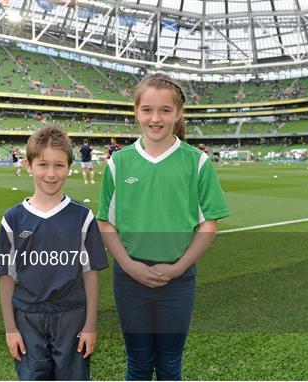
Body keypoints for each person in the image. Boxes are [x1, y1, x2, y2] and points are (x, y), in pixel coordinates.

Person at [97, 73, 230, 380]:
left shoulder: (196, 162)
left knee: (170, 365)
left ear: (178, 113)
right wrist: (129, 266)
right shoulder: (119, 163)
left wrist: (178, 267)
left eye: (165, 110)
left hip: (178, 280)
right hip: (129, 280)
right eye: (147, 110)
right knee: (138, 364)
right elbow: (106, 221)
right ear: (136, 112)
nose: (155, 118)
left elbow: (208, 224)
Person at [0, 125, 108, 381]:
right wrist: (10, 329)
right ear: (29, 165)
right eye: (43, 164)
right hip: (27, 317)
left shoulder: (82, 217)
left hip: (72, 315)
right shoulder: (12, 219)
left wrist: (90, 325)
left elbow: (90, 274)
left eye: (59, 165)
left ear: (69, 167)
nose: (51, 173)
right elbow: (6, 277)